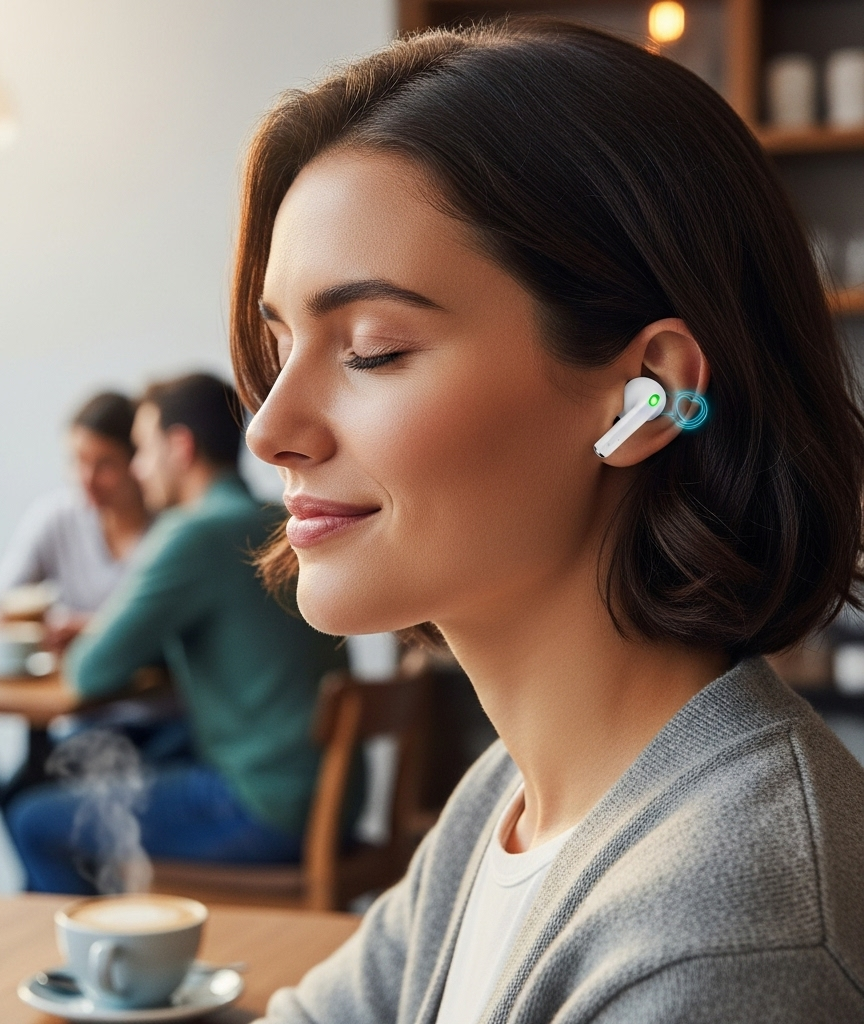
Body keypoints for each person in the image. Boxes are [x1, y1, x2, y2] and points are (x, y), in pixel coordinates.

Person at [231, 22, 864, 1023]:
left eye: (374, 349)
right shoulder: (512, 800)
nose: (270, 429)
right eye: (280, 347)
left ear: (647, 396)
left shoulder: (723, 938)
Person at [6, 373, 348, 893]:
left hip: (259, 803)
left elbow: (89, 671)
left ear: (180, 447)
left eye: (143, 449)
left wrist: (93, 634)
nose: (138, 469)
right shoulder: (275, 520)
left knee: (33, 820)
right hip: (329, 799)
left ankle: (92, 946)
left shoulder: (194, 533)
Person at [0, 391, 149, 650]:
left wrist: (90, 629)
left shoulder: (170, 527)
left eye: (105, 464)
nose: (87, 479)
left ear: (136, 462)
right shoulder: (55, 517)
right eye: (77, 460)